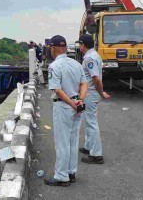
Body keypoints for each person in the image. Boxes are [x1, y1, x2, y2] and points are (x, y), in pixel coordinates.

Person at [44, 35, 88, 187]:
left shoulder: (54, 66)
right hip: (77, 103)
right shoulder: (76, 64)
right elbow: (84, 84)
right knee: (73, 140)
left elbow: (57, 89)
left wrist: (71, 103)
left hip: (64, 106)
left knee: (62, 142)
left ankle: (61, 176)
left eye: (50, 48)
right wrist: (80, 100)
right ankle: (71, 172)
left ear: (54, 48)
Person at [76, 34, 110, 164]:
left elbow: (96, 78)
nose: (79, 47)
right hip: (91, 92)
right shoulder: (94, 55)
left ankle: (96, 155)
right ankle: (89, 147)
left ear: (83, 45)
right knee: (89, 121)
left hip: (90, 93)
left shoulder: (89, 58)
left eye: (80, 44)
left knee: (91, 123)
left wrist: (101, 92)